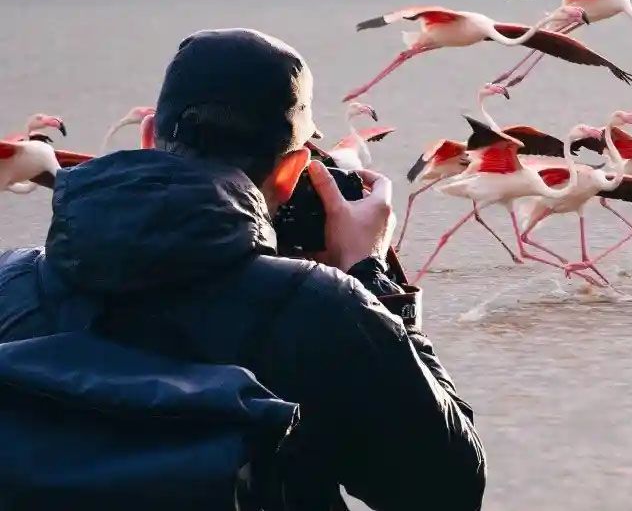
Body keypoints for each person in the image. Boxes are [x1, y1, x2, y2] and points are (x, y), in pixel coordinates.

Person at [0, 29, 486, 510]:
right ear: (292, 171)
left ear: (149, 137)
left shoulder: (11, 282)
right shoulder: (319, 308)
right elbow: (447, 490)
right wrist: (369, 275)